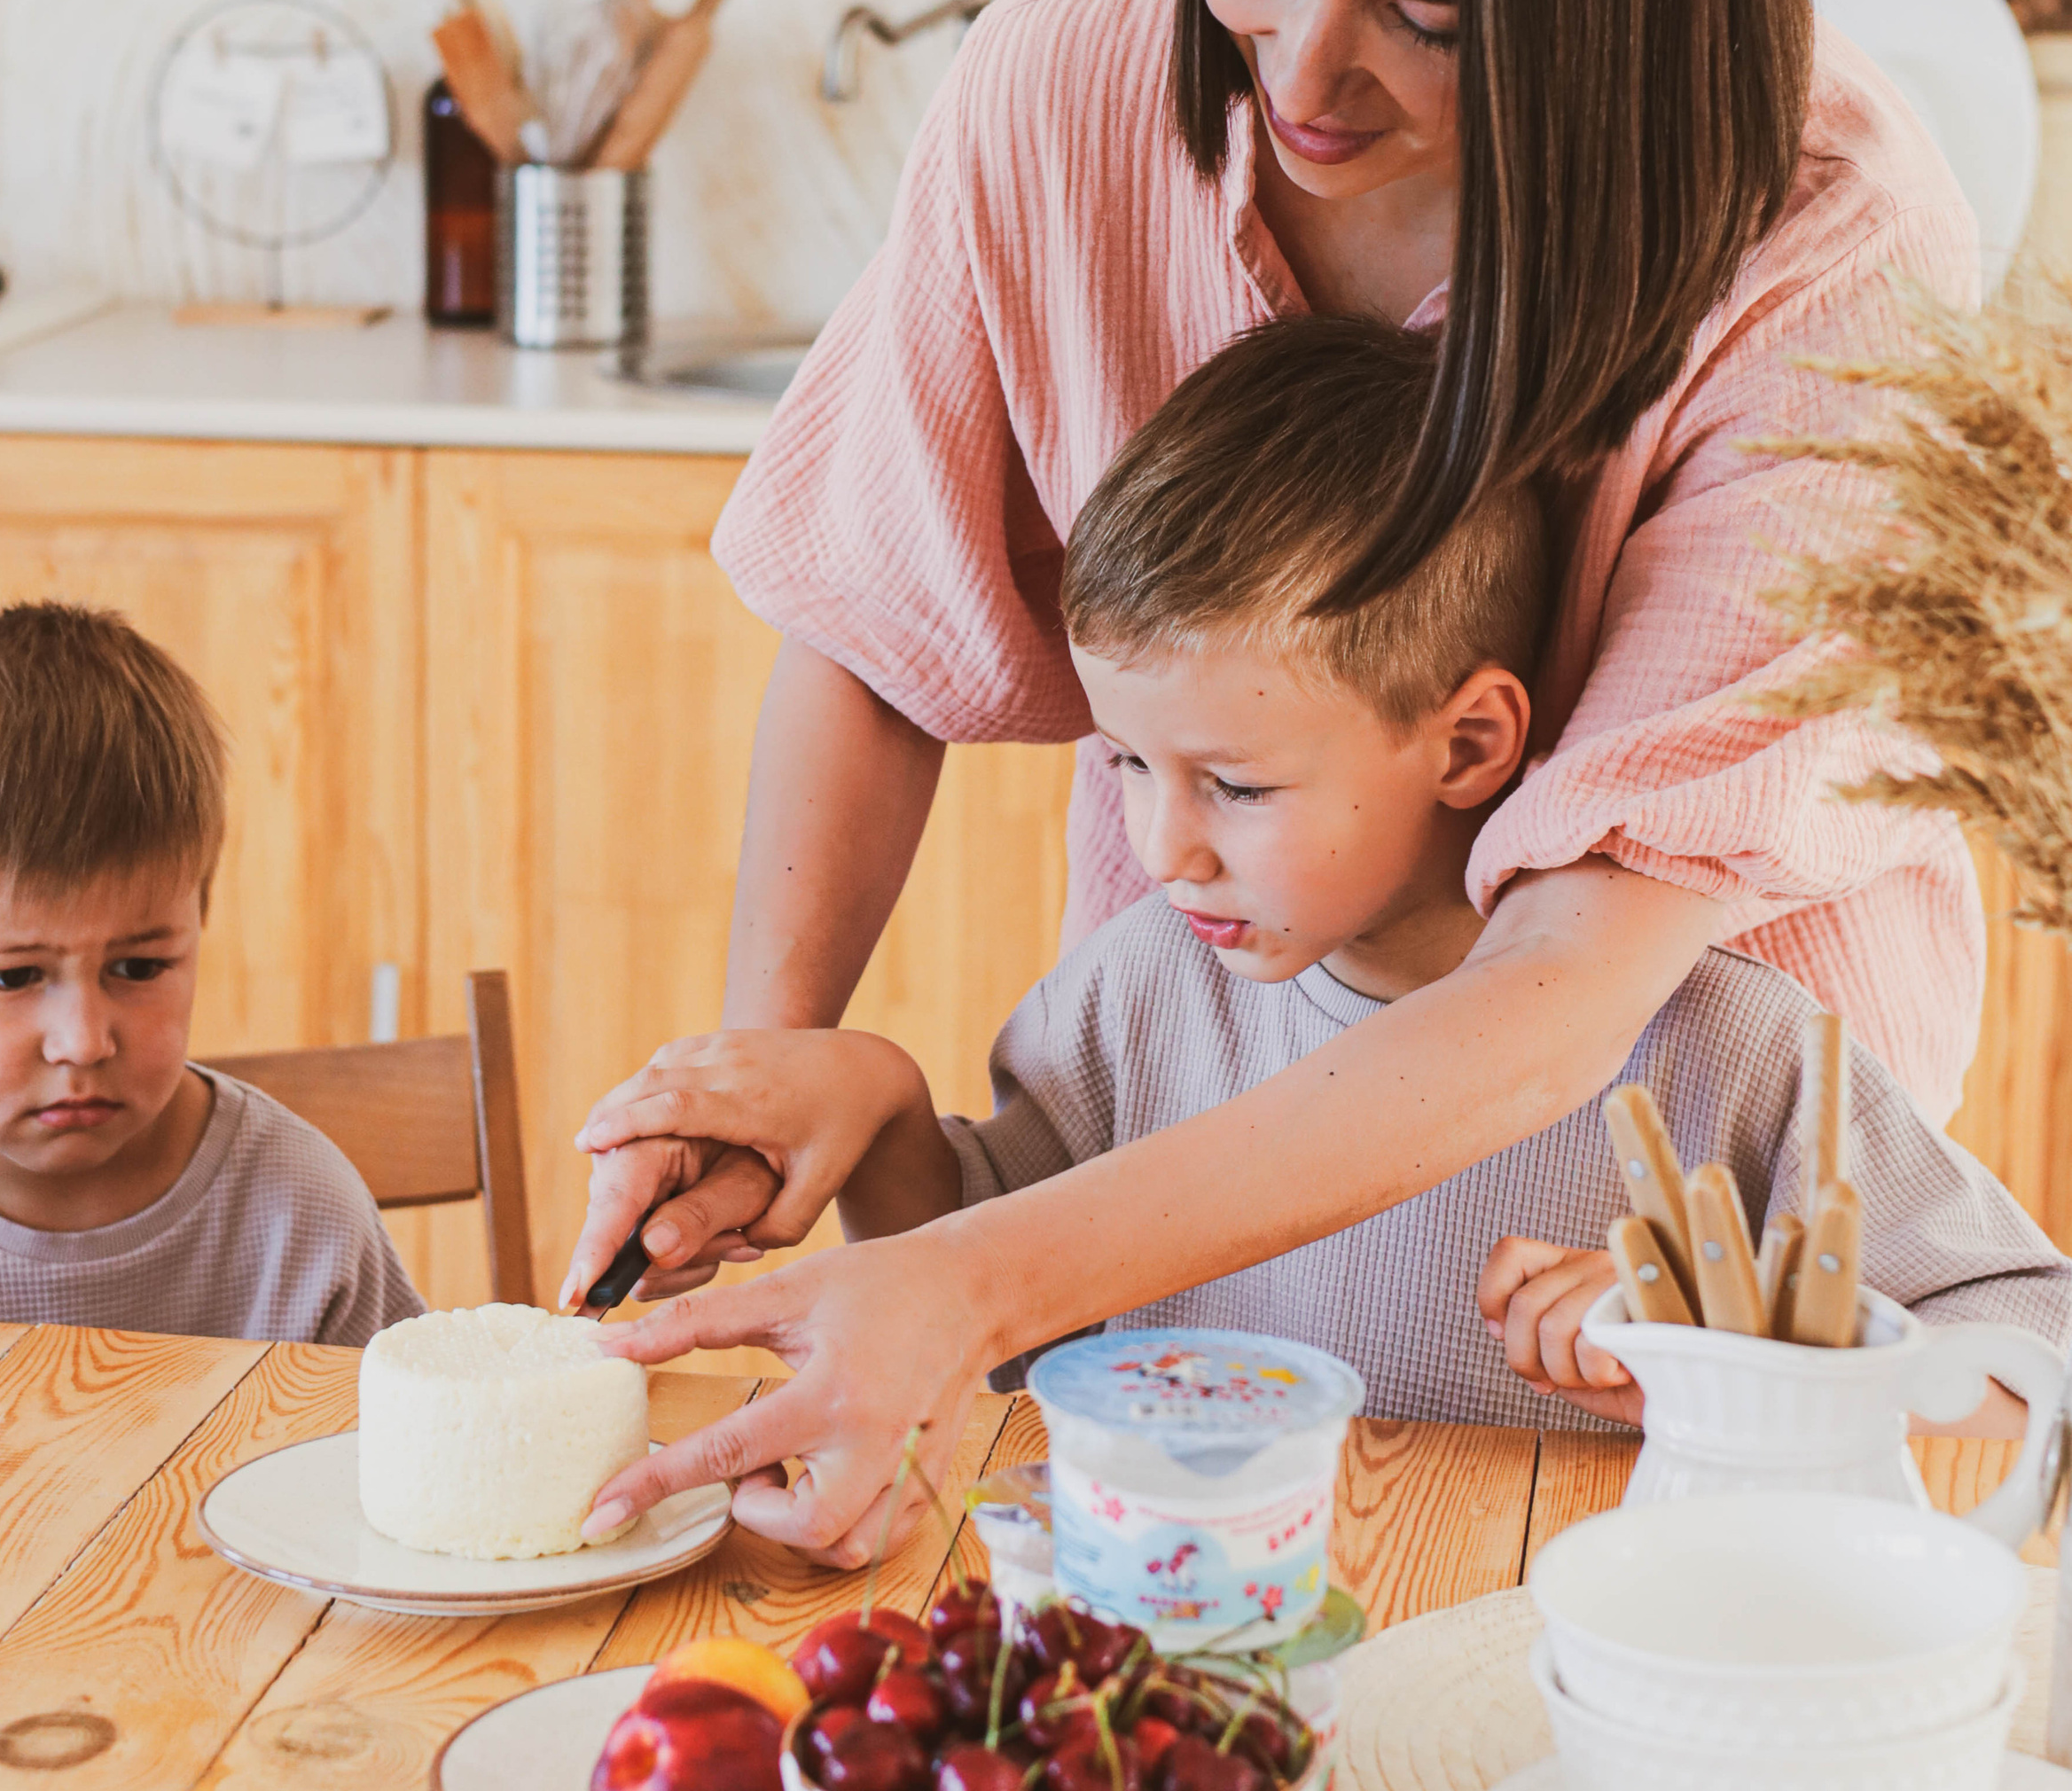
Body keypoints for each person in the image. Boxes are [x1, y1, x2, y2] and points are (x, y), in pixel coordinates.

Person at [566, 0, 1991, 1559]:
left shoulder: (1829, 243)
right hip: (1195, 1265)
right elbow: (882, 621)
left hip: (1666, 1265)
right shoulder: (1052, 100)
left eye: (1423, 12)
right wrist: (771, 1065)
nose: (1298, 73)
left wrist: (969, 1284)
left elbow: (1568, 982)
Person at [570, 320, 2063, 1529]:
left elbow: (2037, 1365)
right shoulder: (1138, 995)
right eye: (1128, 765)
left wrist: (1752, 1357)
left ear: (1471, 746)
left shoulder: (1728, 1050)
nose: (1163, 851)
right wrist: (883, 1112)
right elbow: (999, 1335)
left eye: (1236, 784)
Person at [0, 603, 426, 1346]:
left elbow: (396, 1452)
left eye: (137, 967)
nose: (85, 1041)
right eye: (14, 978)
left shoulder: (304, 1212)